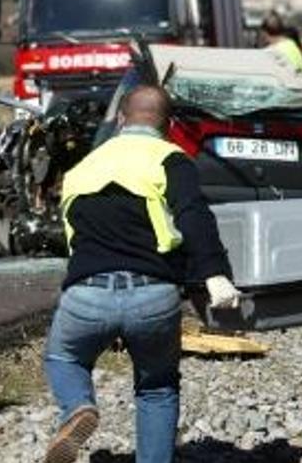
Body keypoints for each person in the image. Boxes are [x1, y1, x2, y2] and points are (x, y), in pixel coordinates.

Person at [42, 85, 241, 463]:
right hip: (153, 294)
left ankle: (77, 408)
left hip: (87, 294)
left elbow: (73, 238)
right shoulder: (170, 159)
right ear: (168, 125)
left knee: (63, 358)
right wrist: (215, 274)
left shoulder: (84, 166)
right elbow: (193, 215)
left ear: (120, 120)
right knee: (157, 388)